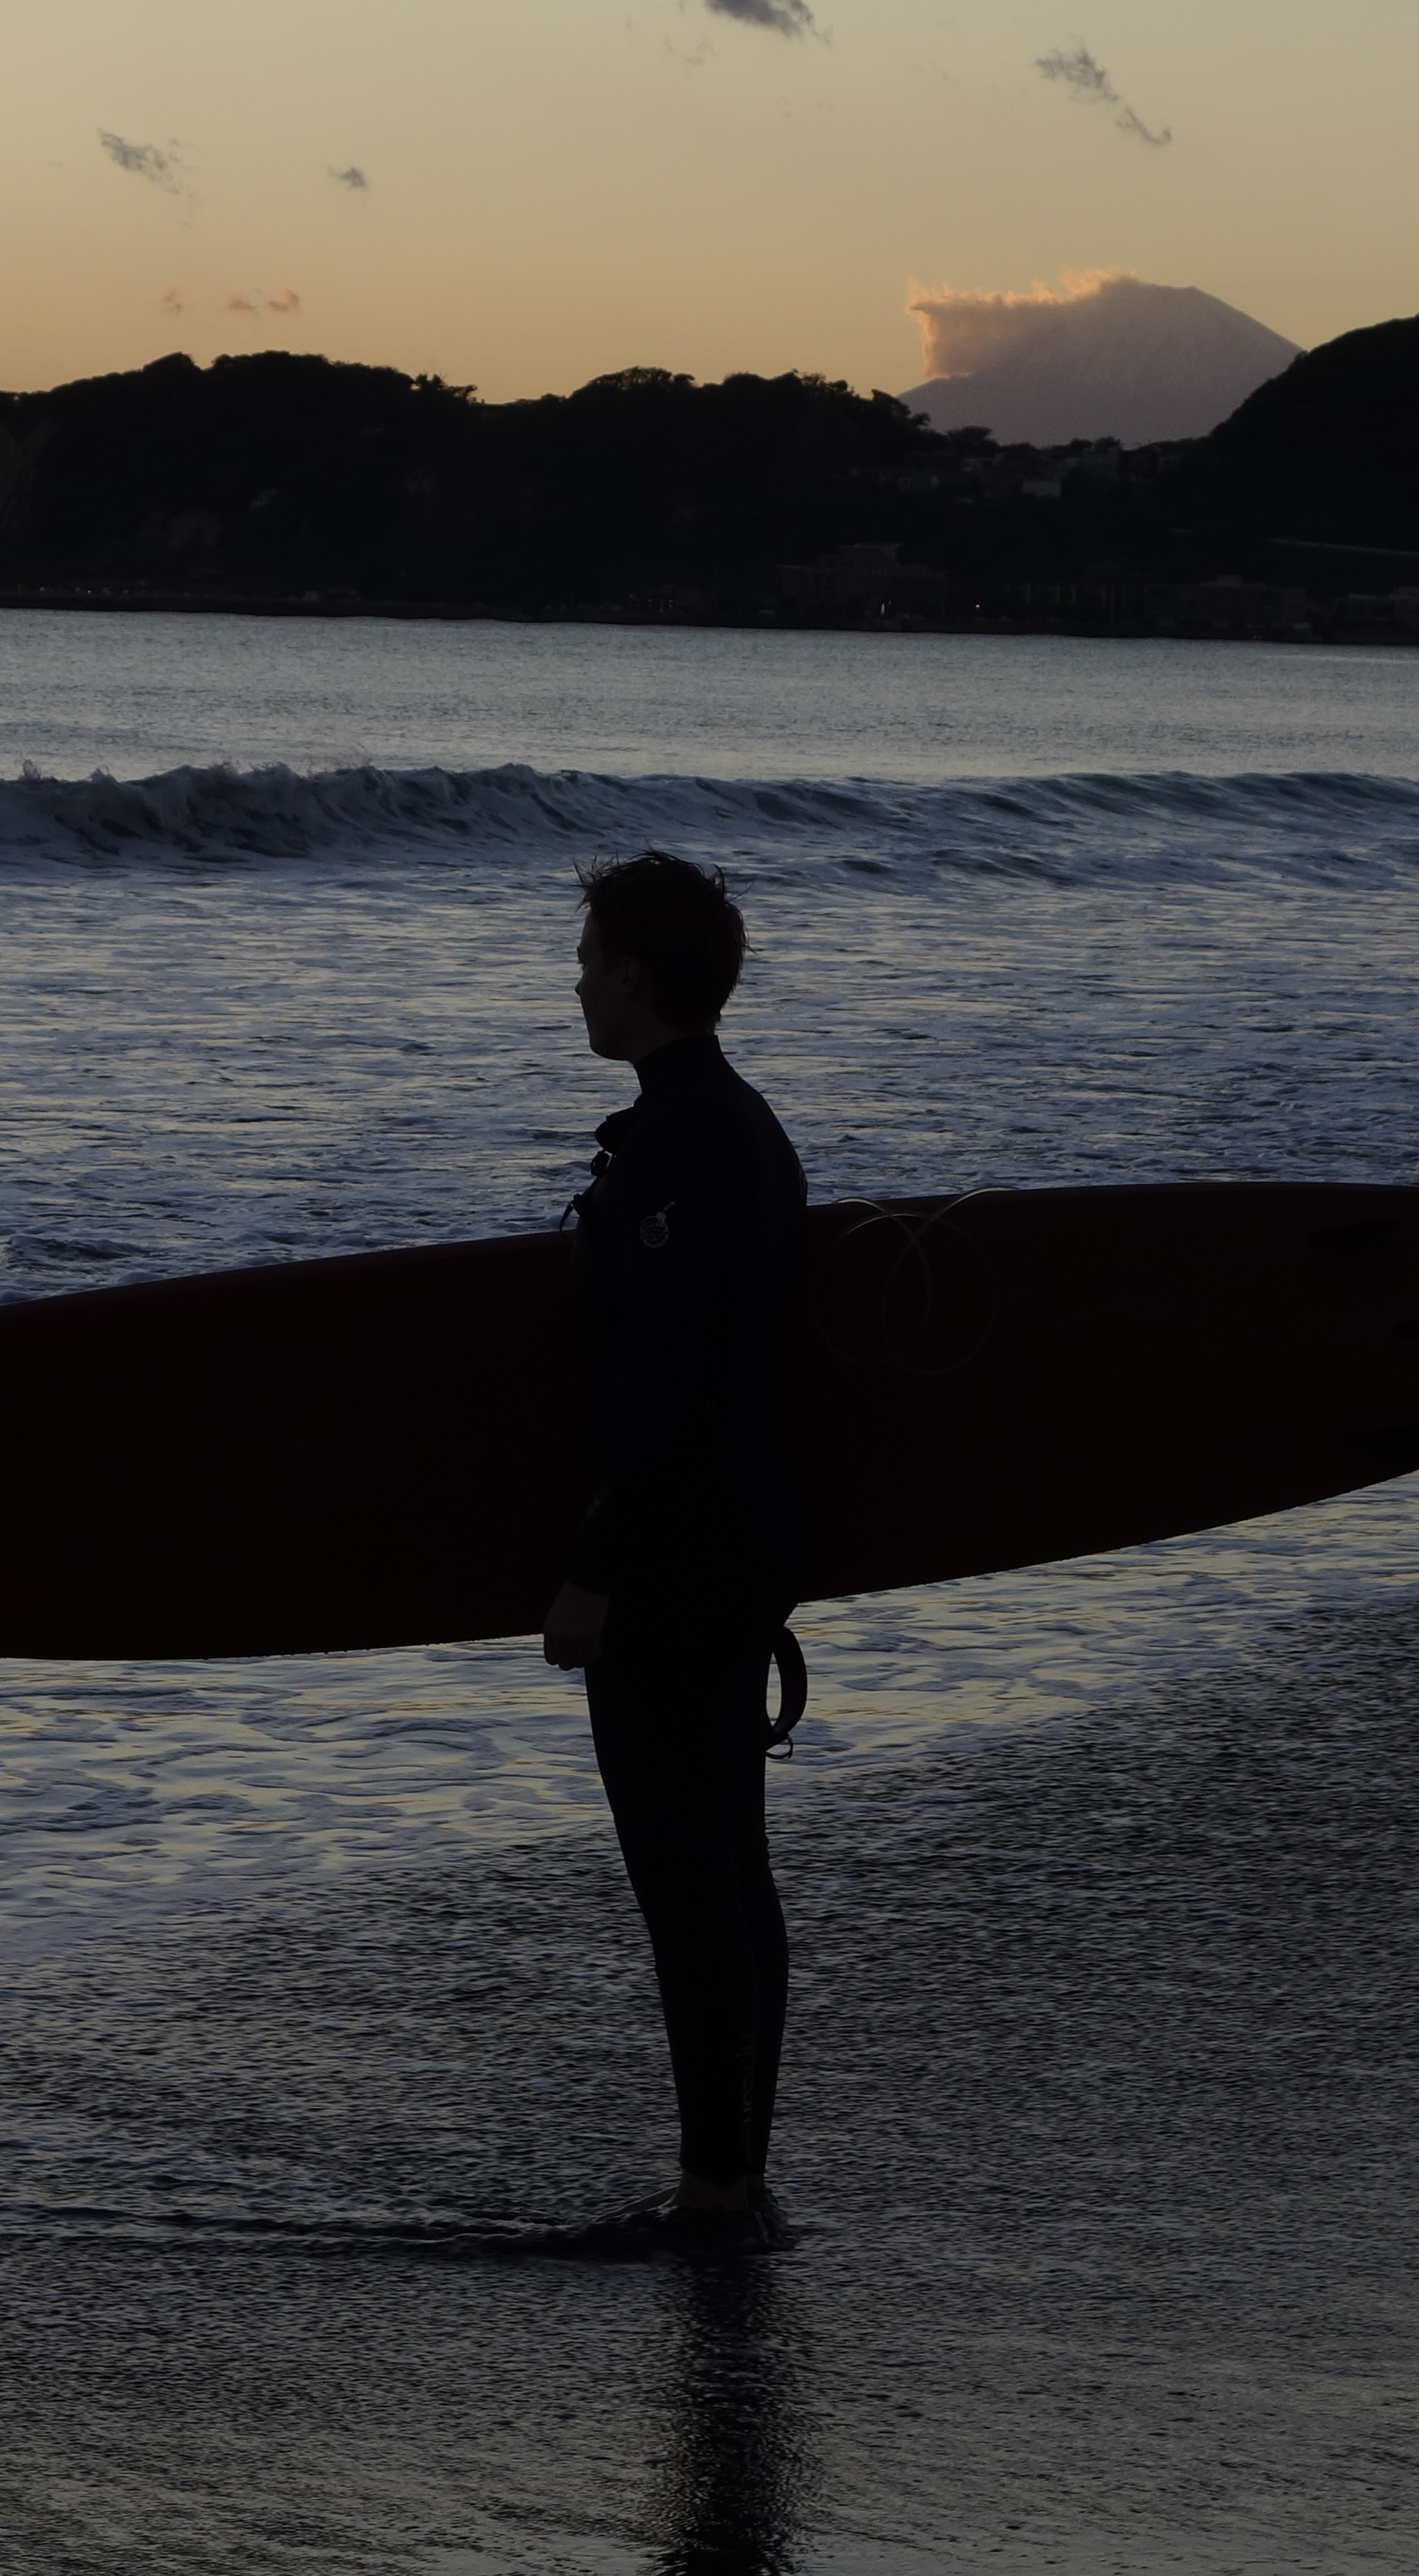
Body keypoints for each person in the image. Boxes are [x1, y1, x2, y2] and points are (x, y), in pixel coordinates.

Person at [535, 849, 810, 2262]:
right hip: (734, 1541)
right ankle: (734, 2179)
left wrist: (595, 1565)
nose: (577, 984)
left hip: (680, 1557)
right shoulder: (728, 1123)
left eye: (589, 961)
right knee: (727, 1870)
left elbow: (669, 1383)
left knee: (687, 1878)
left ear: (636, 975)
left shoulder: (685, 1145)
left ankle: (716, 2197)